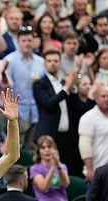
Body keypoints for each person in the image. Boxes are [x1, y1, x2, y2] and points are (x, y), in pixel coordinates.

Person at [33, 49, 85, 177]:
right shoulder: (40, 84)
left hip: (67, 134)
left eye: (56, 61)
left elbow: (76, 107)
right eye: (49, 61)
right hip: (50, 134)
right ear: (44, 64)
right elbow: (49, 104)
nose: (52, 64)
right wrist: (66, 88)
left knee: (69, 168)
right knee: (49, 170)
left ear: (60, 63)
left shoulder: (64, 82)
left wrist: (72, 88)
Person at [3, 26, 44, 154]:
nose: (27, 43)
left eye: (29, 40)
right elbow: (4, 86)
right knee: (15, 146)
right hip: (18, 110)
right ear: (18, 41)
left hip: (36, 110)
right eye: (24, 40)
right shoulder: (9, 60)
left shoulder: (40, 61)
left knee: (32, 147)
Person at [78, 85, 108, 182]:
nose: (106, 99)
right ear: (96, 98)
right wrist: (90, 170)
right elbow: (84, 145)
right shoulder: (88, 117)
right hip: (97, 171)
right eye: (103, 96)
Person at [30, 135, 71, 201]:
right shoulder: (35, 168)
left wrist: (58, 165)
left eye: (49, 147)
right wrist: (52, 168)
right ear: (39, 151)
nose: (47, 150)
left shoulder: (62, 167)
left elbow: (66, 183)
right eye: (43, 148)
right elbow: (43, 187)